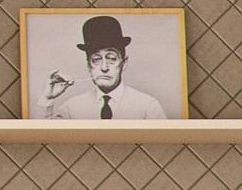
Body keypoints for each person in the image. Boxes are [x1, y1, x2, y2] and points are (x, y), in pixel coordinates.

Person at [40, 14, 168, 119]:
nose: (104, 67)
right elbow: (46, 139)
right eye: (96, 59)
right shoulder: (71, 109)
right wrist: (47, 99)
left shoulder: (148, 107)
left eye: (111, 58)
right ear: (89, 66)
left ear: (124, 63)